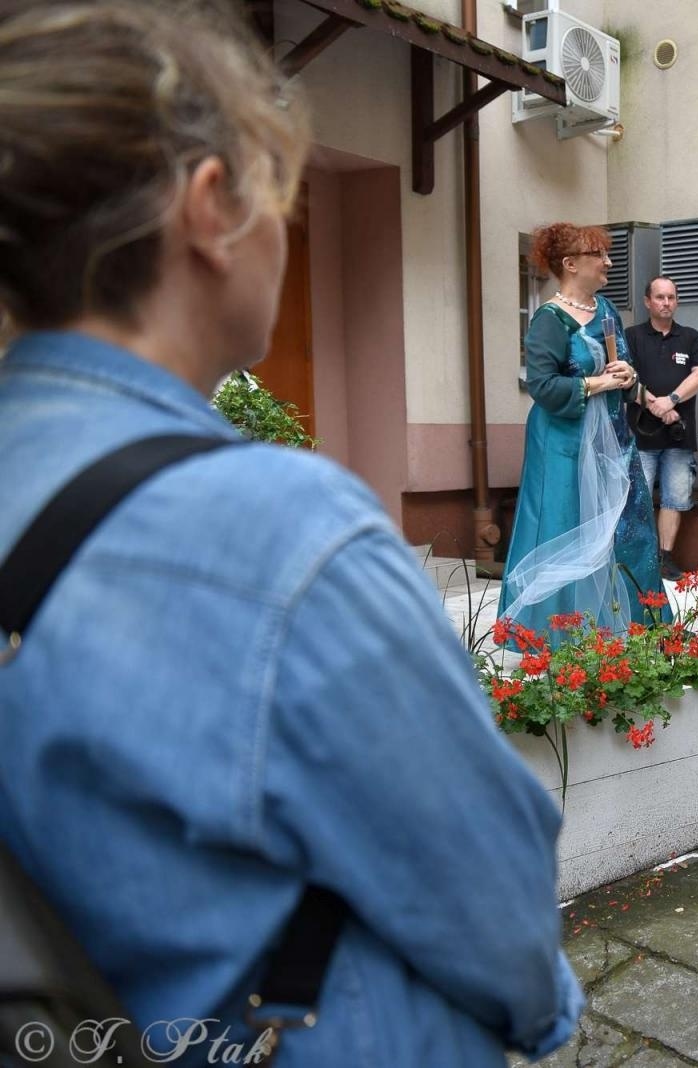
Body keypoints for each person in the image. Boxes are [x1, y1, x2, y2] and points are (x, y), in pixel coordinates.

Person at [0, 4, 579, 1065]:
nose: (287, 226)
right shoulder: (278, 531)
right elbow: (488, 889)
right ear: (209, 209)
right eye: (282, 194)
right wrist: (545, 1016)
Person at [498, 224, 668, 643]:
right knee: (563, 527)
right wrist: (598, 384)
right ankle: (557, 637)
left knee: (629, 527)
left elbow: (622, 369)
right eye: (598, 255)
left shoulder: (607, 309)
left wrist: (628, 375)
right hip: (563, 444)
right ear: (570, 264)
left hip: (613, 439)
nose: (608, 262)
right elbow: (542, 386)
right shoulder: (548, 319)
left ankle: (638, 628)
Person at [624, 275, 698, 581]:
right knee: (638, 500)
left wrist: (671, 400)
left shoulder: (690, 337)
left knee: (675, 499)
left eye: (671, 297)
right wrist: (655, 405)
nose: (666, 303)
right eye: (660, 297)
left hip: (678, 437)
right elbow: (624, 378)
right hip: (641, 437)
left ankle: (664, 558)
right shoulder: (632, 336)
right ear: (647, 301)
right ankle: (639, 561)